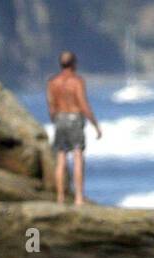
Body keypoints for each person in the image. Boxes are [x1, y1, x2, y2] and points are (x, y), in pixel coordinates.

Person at [46, 50, 102, 205]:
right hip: (74, 118)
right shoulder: (77, 81)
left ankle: (60, 197)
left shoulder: (52, 82)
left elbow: (51, 107)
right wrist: (95, 125)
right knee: (77, 156)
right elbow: (83, 104)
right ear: (74, 64)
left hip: (60, 119)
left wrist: (55, 120)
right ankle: (78, 197)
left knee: (61, 158)